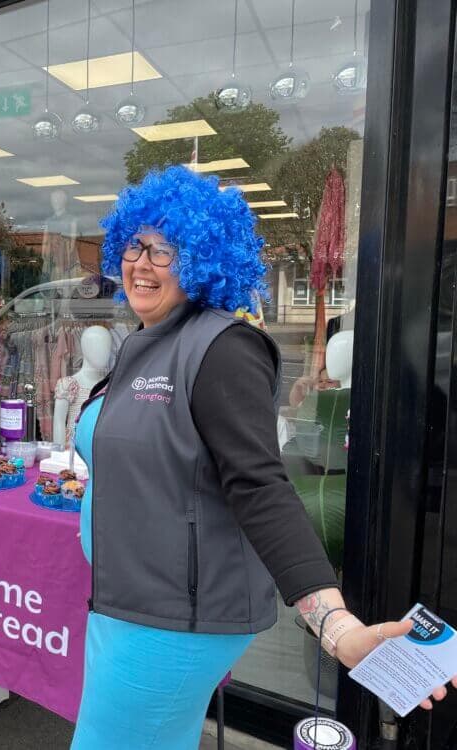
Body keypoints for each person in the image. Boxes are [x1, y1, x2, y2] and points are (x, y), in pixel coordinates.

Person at [72, 167, 457, 749]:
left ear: (203, 258)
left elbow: (260, 486)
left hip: (169, 621)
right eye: (134, 244)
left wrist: (333, 622)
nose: (142, 263)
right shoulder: (144, 340)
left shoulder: (222, 347)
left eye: (165, 250)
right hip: (126, 602)